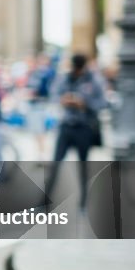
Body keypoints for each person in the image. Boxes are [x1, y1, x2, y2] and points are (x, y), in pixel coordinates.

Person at [42, 53, 108, 210]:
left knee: (83, 167)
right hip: (66, 126)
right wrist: (63, 100)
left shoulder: (94, 80)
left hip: (83, 128)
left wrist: (84, 103)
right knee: (55, 164)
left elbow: (102, 103)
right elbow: (53, 94)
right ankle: (44, 203)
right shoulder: (64, 78)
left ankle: (84, 203)